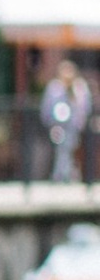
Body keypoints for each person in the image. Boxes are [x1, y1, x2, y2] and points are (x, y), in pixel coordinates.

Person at [41, 54, 93, 184]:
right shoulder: (54, 87)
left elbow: (85, 106)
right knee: (61, 149)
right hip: (57, 125)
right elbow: (47, 106)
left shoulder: (79, 87)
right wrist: (48, 121)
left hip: (73, 125)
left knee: (68, 148)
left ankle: (63, 175)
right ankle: (62, 175)